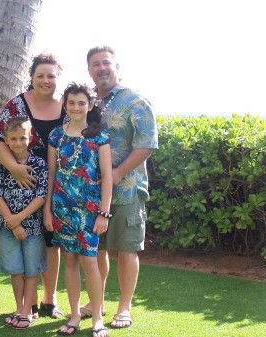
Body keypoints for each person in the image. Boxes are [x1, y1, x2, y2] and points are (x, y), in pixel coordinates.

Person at [78, 45, 159, 329]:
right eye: (95, 64)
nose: (101, 68)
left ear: (117, 67)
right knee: (96, 249)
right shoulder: (85, 103)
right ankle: (95, 303)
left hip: (127, 190)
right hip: (90, 193)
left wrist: (115, 174)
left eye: (106, 63)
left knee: (125, 249)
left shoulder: (135, 102)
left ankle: (124, 308)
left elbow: (147, 143)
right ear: (89, 70)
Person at [0, 52, 66, 319]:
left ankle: (49, 298)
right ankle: (27, 304)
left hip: (59, 183)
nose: (45, 80)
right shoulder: (17, 104)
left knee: (51, 240)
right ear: (31, 77)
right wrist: (15, 168)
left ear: (58, 78)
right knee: (28, 243)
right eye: (40, 75)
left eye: (51, 76)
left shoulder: (70, 105)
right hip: (22, 186)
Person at [44, 82, 112, 337]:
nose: (75, 107)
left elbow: (106, 176)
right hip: (62, 208)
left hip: (91, 211)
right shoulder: (55, 136)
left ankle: (96, 318)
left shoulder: (99, 137)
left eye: (81, 102)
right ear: (65, 104)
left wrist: (104, 212)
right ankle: (74, 316)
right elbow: (52, 174)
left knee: (89, 261)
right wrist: (48, 211)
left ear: (90, 105)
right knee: (70, 260)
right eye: (71, 102)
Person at [0, 117, 48, 329]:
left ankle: (27, 311)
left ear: (30, 138)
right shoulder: (2, 166)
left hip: (32, 227)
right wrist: (12, 222)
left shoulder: (39, 165)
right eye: (13, 138)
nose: (18, 142)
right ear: (6, 140)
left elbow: (41, 196)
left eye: (22, 138)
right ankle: (18, 307)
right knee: (16, 270)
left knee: (31, 270)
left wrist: (20, 219)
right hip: (9, 228)